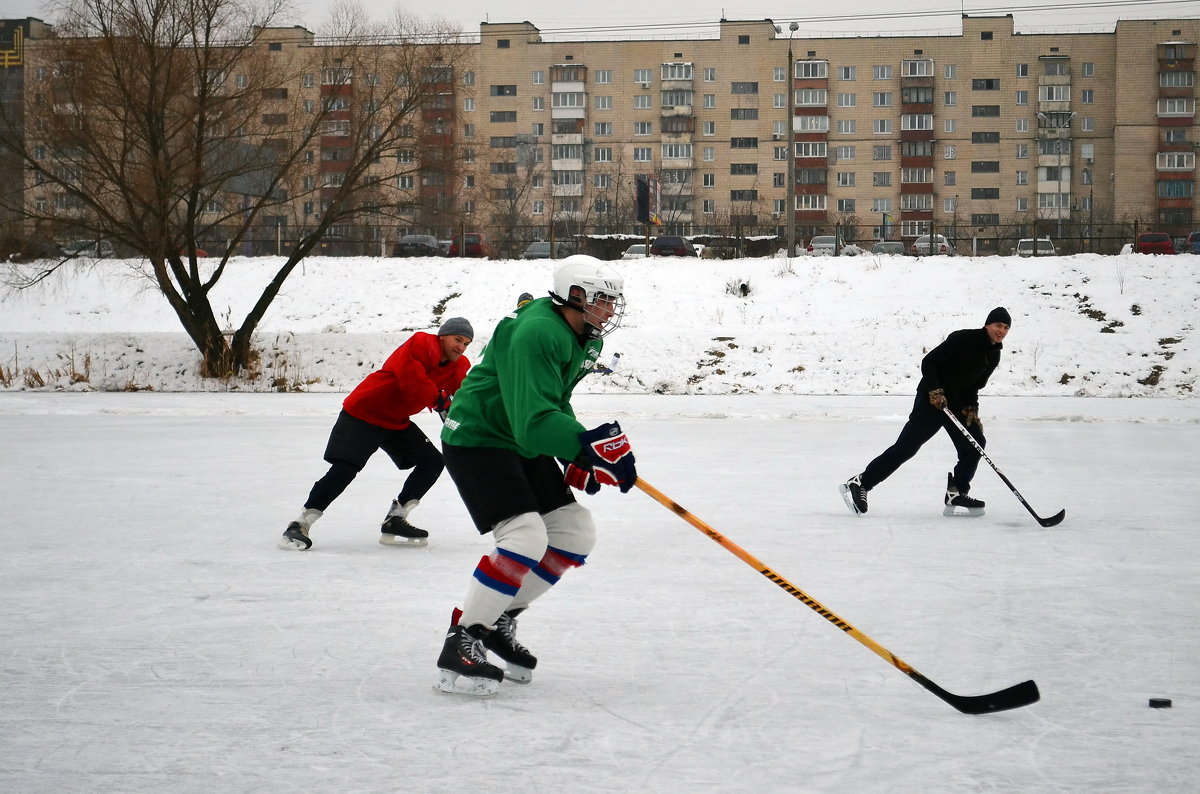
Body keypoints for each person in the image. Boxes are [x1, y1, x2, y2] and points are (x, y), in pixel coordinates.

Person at [434, 256, 636, 697]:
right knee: (525, 536)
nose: (610, 309)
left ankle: (499, 618)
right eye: (603, 300)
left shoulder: (583, 335)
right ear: (575, 295)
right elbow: (533, 419)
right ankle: (465, 636)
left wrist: (577, 452)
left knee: (574, 531)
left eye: (612, 301)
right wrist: (587, 443)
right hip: (479, 438)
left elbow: (552, 401)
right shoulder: (538, 331)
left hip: (519, 439)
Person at [278, 317, 474, 551]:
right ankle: (300, 524)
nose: (460, 347)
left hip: (395, 421)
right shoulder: (422, 343)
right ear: (443, 336)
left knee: (432, 462)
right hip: (364, 412)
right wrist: (439, 400)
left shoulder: (460, 365)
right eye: (457, 339)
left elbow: (463, 396)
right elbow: (412, 379)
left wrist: (467, 418)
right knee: (345, 469)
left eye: (466, 344)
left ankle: (396, 519)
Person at [841, 307, 1012, 518]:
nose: (1001, 330)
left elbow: (974, 387)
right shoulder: (963, 339)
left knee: (975, 443)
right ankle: (861, 483)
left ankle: (956, 492)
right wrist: (935, 390)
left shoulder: (994, 354)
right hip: (931, 401)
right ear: (987, 324)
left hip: (955, 405)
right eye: (998, 325)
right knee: (906, 448)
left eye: (1005, 327)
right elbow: (929, 362)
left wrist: (972, 410)